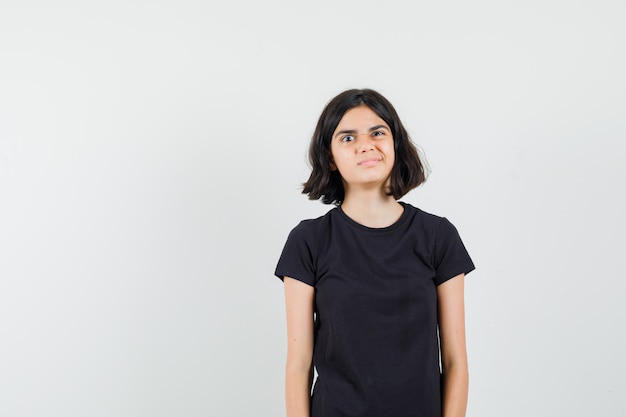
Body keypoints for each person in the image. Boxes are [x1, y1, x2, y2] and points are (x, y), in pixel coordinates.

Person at [274, 88, 475, 417]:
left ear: (395, 142)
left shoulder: (438, 236)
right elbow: (298, 366)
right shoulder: (308, 241)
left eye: (377, 132)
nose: (365, 144)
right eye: (348, 138)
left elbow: (455, 363)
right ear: (329, 157)